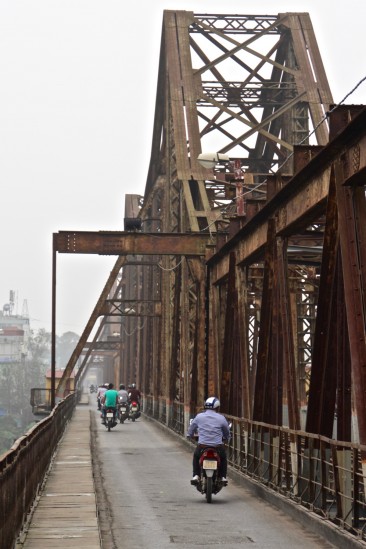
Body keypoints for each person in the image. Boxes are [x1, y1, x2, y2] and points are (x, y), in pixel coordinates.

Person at [187, 396, 230, 485]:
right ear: (217, 407)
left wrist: (189, 435)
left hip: (203, 446)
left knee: (196, 456)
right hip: (217, 447)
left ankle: (196, 475)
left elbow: (191, 428)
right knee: (223, 458)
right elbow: (226, 431)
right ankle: (222, 477)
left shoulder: (199, 417)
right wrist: (227, 438)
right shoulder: (221, 418)